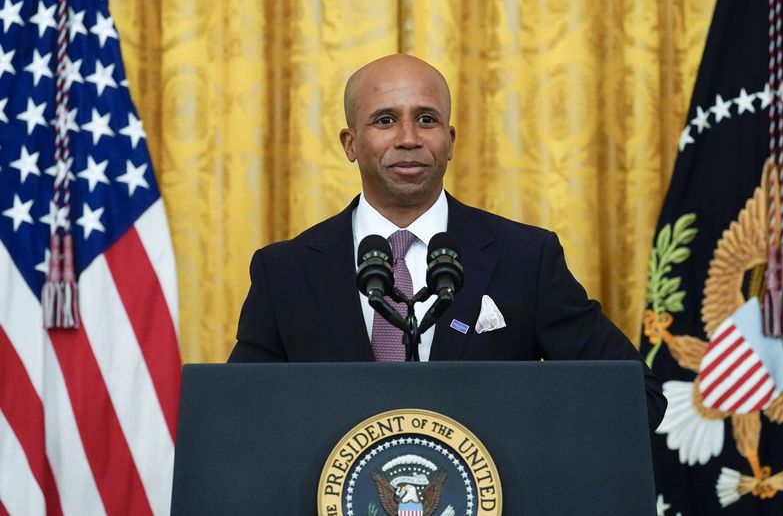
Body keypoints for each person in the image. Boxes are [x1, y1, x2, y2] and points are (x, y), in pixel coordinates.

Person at [228, 54, 667, 430]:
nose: (408, 138)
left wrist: (519, 435)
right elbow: (238, 416)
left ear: (450, 140)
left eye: (427, 119)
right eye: (385, 120)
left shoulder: (525, 259)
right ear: (351, 143)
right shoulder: (285, 272)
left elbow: (635, 397)